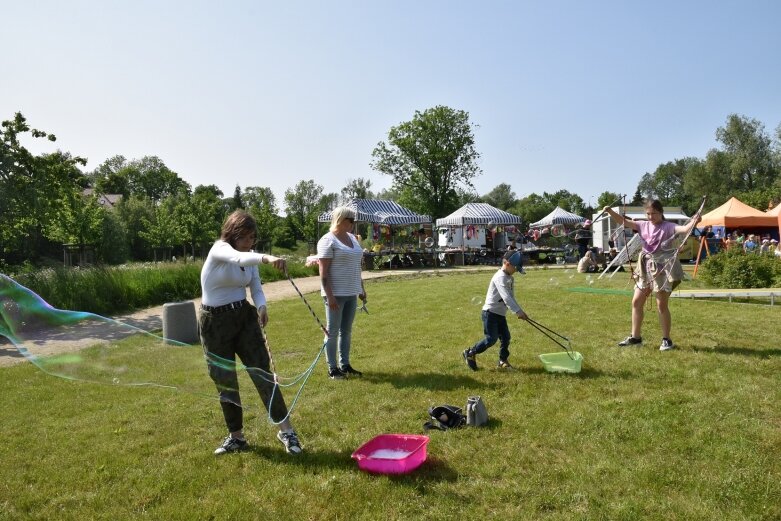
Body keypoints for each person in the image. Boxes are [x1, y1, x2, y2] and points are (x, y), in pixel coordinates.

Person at [200, 210, 302, 455]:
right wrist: (267, 258)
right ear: (233, 233)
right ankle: (236, 437)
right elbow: (237, 260)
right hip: (214, 323)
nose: (250, 243)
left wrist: (263, 305)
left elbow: (255, 287)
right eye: (246, 237)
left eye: (253, 238)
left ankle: (286, 430)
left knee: (262, 374)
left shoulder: (252, 256)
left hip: (244, 318)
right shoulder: (220, 249)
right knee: (225, 380)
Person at [602, 200, 701, 352]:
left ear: (661, 212)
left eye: (654, 213)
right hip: (645, 267)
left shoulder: (669, 226)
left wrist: (694, 220)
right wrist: (610, 211)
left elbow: (685, 228)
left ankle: (666, 340)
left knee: (661, 305)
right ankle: (635, 338)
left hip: (661, 268)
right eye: (648, 214)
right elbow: (623, 221)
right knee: (636, 302)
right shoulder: (642, 225)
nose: (650, 216)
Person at [317, 206, 366, 380]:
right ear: (340, 219)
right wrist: (329, 296)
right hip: (335, 294)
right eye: (350, 220)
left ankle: (345, 365)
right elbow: (324, 273)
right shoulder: (327, 240)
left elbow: (357, 266)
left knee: (346, 331)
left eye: (354, 220)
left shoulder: (353, 238)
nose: (353, 223)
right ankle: (333, 368)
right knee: (332, 331)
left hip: (351, 292)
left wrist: (361, 288)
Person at [462, 250, 529, 370]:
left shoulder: (509, 278)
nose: (516, 271)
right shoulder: (500, 277)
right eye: (515, 268)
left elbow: (511, 297)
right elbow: (506, 297)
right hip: (490, 313)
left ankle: (503, 361)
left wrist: (520, 310)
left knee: (506, 338)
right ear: (507, 264)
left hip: (500, 314)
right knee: (491, 339)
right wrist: (517, 311)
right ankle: (470, 352)